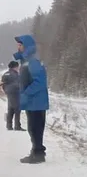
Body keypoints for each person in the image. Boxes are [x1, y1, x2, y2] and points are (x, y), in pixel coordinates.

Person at [13, 35, 49, 164]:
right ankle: (36, 152)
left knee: (36, 128)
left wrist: (26, 93)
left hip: (37, 102)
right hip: (31, 102)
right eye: (18, 45)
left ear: (27, 46)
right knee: (32, 128)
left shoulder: (33, 61)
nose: (18, 46)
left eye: (20, 44)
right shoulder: (26, 61)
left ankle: (39, 154)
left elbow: (40, 82)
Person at [1, 61, 25, 131]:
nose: (18, 68)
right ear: (15, 67)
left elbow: (2, 84)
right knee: (17, 109)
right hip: (15, 93)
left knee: (10, 109)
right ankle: (17, 126)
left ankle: (9, 126)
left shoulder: (5, 74)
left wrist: (6, 91)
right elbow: (18, 84)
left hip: (9, 93)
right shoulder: (15, 74)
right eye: (17, 67)